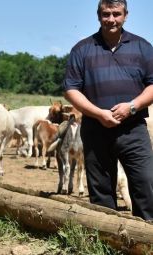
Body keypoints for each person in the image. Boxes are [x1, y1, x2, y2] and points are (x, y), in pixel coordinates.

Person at [63, 0, 153, 220]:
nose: (111, 19)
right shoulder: (82, 49)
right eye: (106, 14)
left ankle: (147, 236)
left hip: (133, 129)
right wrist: (98, 113)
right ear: (98, 15)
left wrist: (132, 107)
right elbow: (70, 89)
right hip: (96, 128)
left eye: (116, 14)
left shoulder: (142, 47)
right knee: (101, 189)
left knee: (146, 183)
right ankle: (107, 241)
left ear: (125, 15)